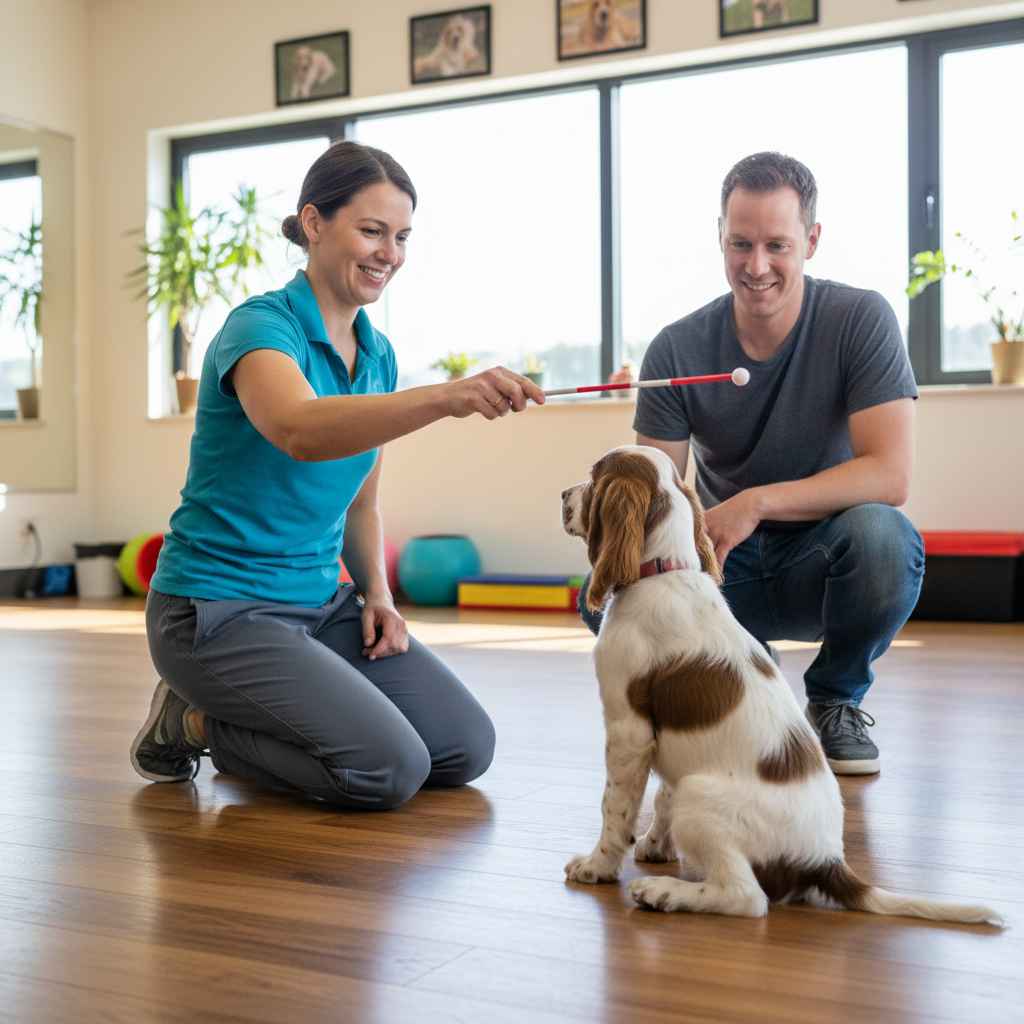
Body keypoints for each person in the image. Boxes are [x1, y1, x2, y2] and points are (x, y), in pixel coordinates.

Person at [130, 140, 545, 808]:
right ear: (315, 222)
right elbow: (299, 430)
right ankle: (194, 721)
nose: (391, 253)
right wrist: (446, 396)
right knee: (388, 769)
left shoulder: (377, 356)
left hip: (320, 605)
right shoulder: (260, 328)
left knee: (465, 747)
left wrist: (379, 597)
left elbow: (359, 509)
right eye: (372, 230)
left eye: (403, 236)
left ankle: (254, 716)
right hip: (215, 612)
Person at [579, 151, 923, 776]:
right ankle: (734, 684)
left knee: (884, 540)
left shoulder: (860, 319)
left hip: (821, 559)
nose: (756, 266)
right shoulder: (677, 346)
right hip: (720, 566)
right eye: (740, 243)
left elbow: (889, 475)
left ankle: (836, 698)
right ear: (719, 235)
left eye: (777, 245)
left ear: (811, 241)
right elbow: (657, 489)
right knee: (602, 597)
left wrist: (756, 502)